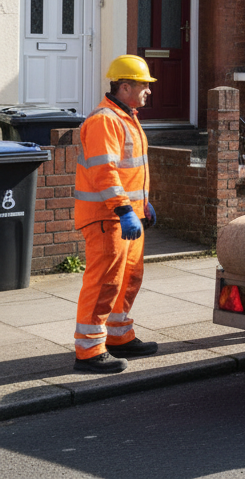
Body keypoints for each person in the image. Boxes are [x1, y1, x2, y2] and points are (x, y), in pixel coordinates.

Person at [72, 55, 159, 373]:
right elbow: (104, 171)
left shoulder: (126, 117)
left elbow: (129, 170)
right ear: (125, 87)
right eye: (143, 85)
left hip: (126, 215)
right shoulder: (105, 120)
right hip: (107, 217)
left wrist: (142, 204)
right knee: (104, 282)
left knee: (130, 277)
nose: (149, 91)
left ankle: (119, 336)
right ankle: (89, 351)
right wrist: (124, 209)